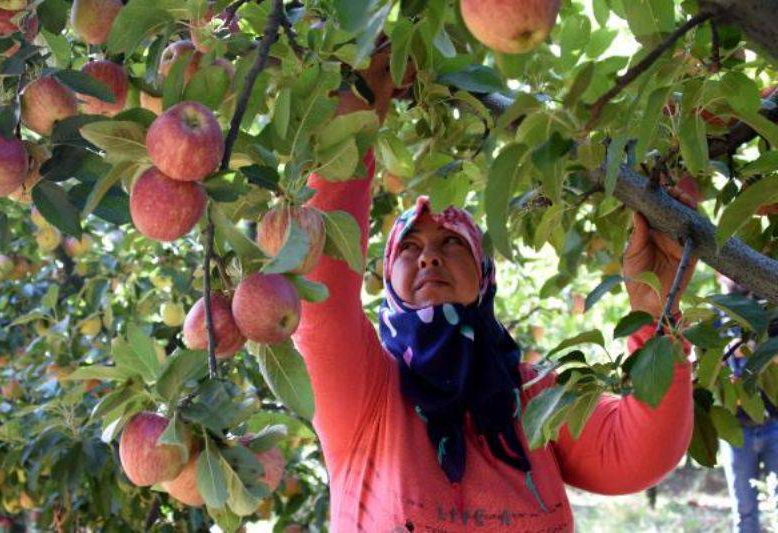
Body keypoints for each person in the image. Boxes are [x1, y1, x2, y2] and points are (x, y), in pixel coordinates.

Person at [292, 51, 698, 532]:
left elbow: (639, 452)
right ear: (388, 281)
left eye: (450, 243)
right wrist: (356, 119)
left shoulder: (532, 398)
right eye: (411, 248)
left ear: (484, 276)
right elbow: (318, 297)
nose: (429, 257)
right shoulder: (366, 395)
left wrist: (655, 313)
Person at [717, 275, 778, 533]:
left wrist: (754, 349)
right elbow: (706, 359)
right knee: (744, 511)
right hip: (736, 430)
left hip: (774, 424)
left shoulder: (767, 311)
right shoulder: (713, 315)